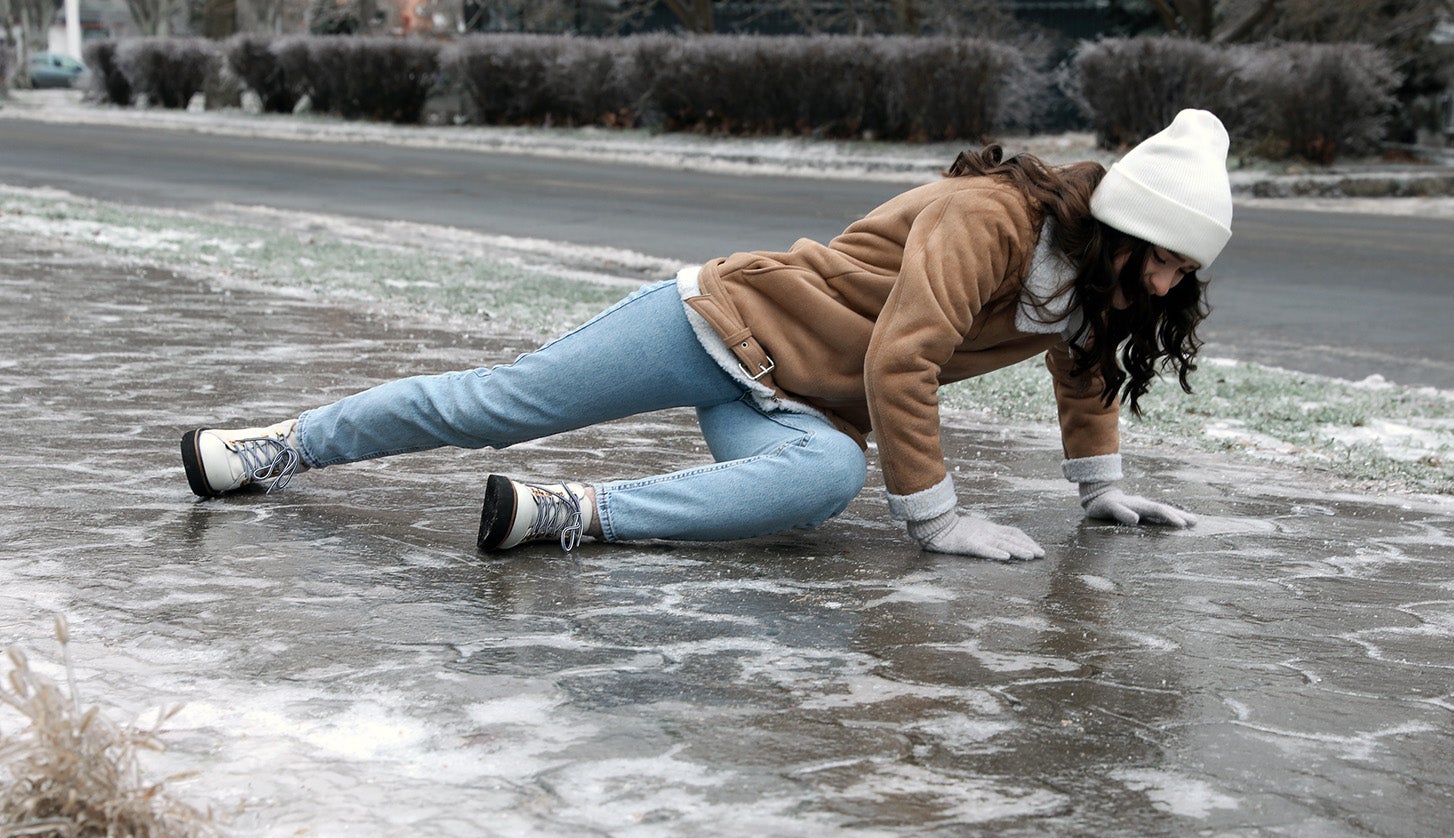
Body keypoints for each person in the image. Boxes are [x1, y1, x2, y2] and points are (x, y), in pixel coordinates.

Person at [181, 108, 1233, 562]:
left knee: (819, 485)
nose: (1168, 281)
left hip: (798, 403)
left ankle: (566, 515)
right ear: (1116, 227)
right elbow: (903, 357)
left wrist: (1099, 488)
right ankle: (277, 446)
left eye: (1186, 269)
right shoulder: (990, 219)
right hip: (717, 322)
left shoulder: (1095, 284)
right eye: (1162, 257)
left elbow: (1083, 363)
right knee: (497, 406)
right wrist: (938, 520)